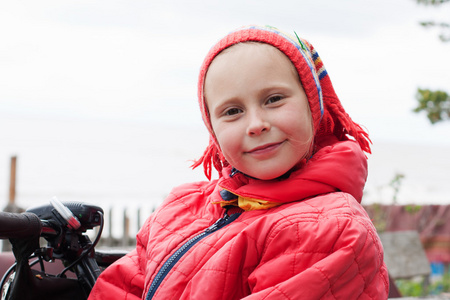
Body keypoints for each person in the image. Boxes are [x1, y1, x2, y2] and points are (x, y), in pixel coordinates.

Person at [89, 25, 389, 299]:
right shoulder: (181, 207)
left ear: (314, 105)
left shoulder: (330, 228)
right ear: (213, 131)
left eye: (273, 99)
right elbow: (121, 288)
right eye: (232, 111)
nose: (256, 124)